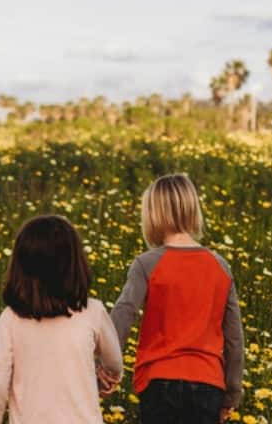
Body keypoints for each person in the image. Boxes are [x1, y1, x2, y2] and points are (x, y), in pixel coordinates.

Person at [109, 173, 244, 423]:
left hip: (158, 382)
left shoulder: (146, 263)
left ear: (153, 215)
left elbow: (124, 313)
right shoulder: (220, 266)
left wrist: (106, 367)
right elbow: (234, 339)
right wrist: (232, 394)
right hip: (208, 384)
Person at [0, 214, 123, 423]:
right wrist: (108, 376)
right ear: (75, 264)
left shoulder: (11, 319)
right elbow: (115, 361)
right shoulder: (93, 311)